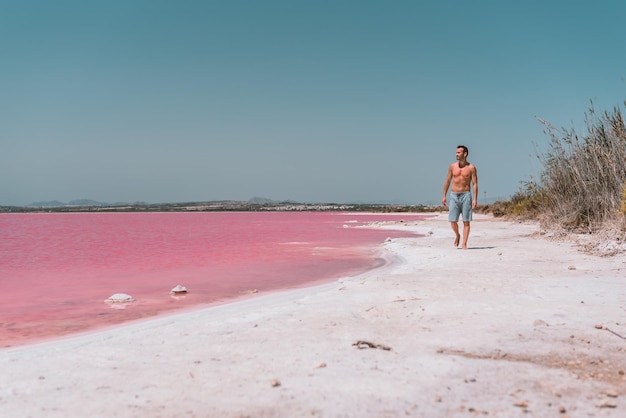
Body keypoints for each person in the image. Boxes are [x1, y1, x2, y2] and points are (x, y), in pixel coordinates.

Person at [442, 145, 478, 250]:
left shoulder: (471, 168)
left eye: (459, 152)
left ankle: (464, 243)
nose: (456, 154)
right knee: (452, 220)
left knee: (466, 221)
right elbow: (447, 181)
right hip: (454, 195)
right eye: (456, 152)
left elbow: (475, 184)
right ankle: (457, 235)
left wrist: (475, 199)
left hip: (466, 195)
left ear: (465, 154)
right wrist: (444, 195)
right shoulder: (452, 166)